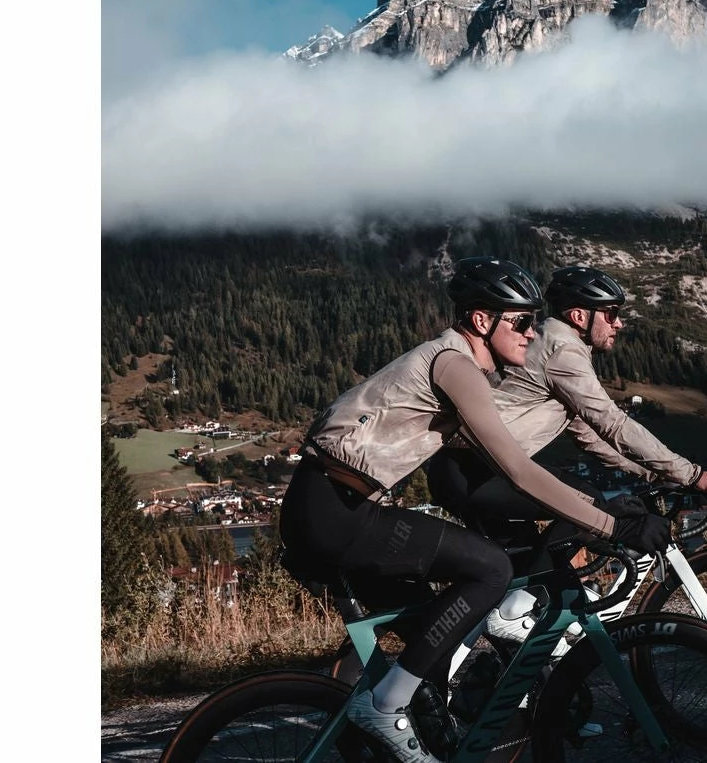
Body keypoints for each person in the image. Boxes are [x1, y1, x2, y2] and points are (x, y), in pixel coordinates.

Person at [278, 257, 669, 763]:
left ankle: (420, 726)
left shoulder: (459, 364)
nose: (532, 333)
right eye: (521, 322)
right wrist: (609, 526)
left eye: (534, 321)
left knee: (432, 635)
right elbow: (518, 471)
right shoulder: (455, 365)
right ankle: (385, 708)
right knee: (491, 568)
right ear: (482, 320)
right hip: (336, 512)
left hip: (332, 507)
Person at [428, 264, 707, 643]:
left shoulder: (553, 346)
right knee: (589, 504)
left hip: (471, 470)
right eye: (611, 313)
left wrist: (656, 474)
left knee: (537, 569)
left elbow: (588, 437)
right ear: (579, 316)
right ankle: (514, 613)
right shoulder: (562, 351)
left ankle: (529, 651)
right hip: (476, 472)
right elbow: (612, 424)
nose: (618, 323)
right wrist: (690, 474)